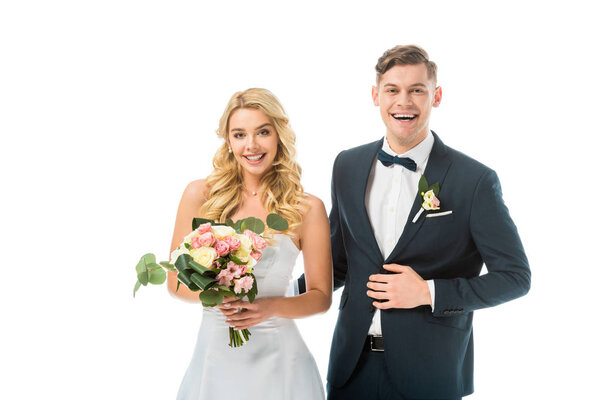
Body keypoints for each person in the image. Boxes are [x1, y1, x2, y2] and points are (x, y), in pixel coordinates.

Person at [299, 45, 531, 399]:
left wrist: (428, 292)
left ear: (435, 96)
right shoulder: (346, 165)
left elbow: (515, 278)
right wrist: (271, 295)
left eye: (416, 90)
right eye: (392, 90)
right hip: (350, 367)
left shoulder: (474, 180)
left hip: (431, 370)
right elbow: (339, 263)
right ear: (376, 95)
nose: (403, 101)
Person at [168, 88, 332, 400]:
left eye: (263, 132)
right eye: (240, 134)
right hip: (215, 358)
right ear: (228, 141)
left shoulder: (306, 208)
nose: (251, 145)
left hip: (281, 362)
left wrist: (267, 308)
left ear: (279, 136)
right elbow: (175, 283)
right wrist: (216, 294)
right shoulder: (199, 196)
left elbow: (321, 297)